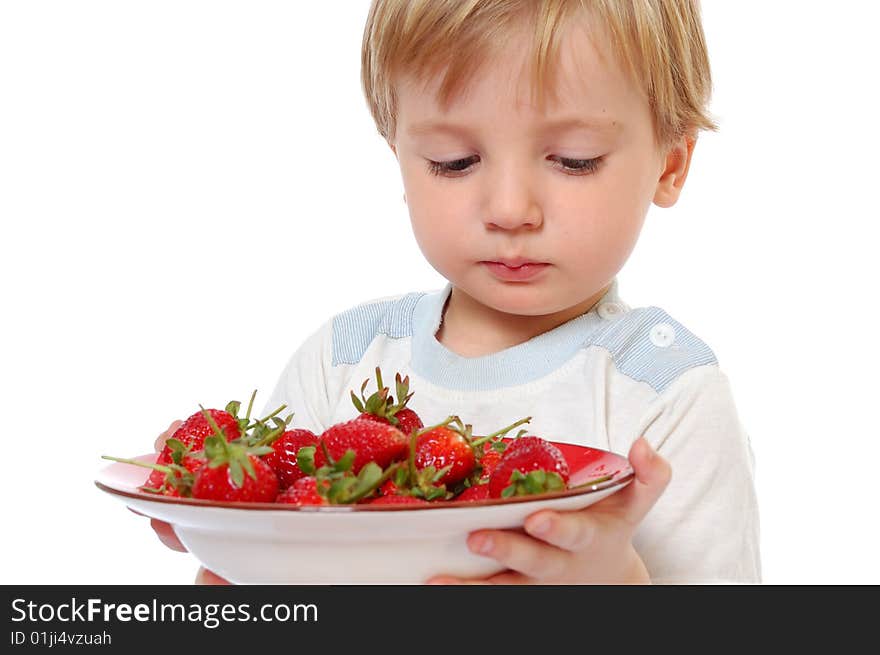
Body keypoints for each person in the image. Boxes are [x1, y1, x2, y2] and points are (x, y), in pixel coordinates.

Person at [152, 0, 761, 584]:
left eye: (574, 160)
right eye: (454, 161)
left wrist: (617, 586)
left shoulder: (666, 393)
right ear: (400, 158)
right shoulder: (342, 361)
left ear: (670, 164)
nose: (509, 210)